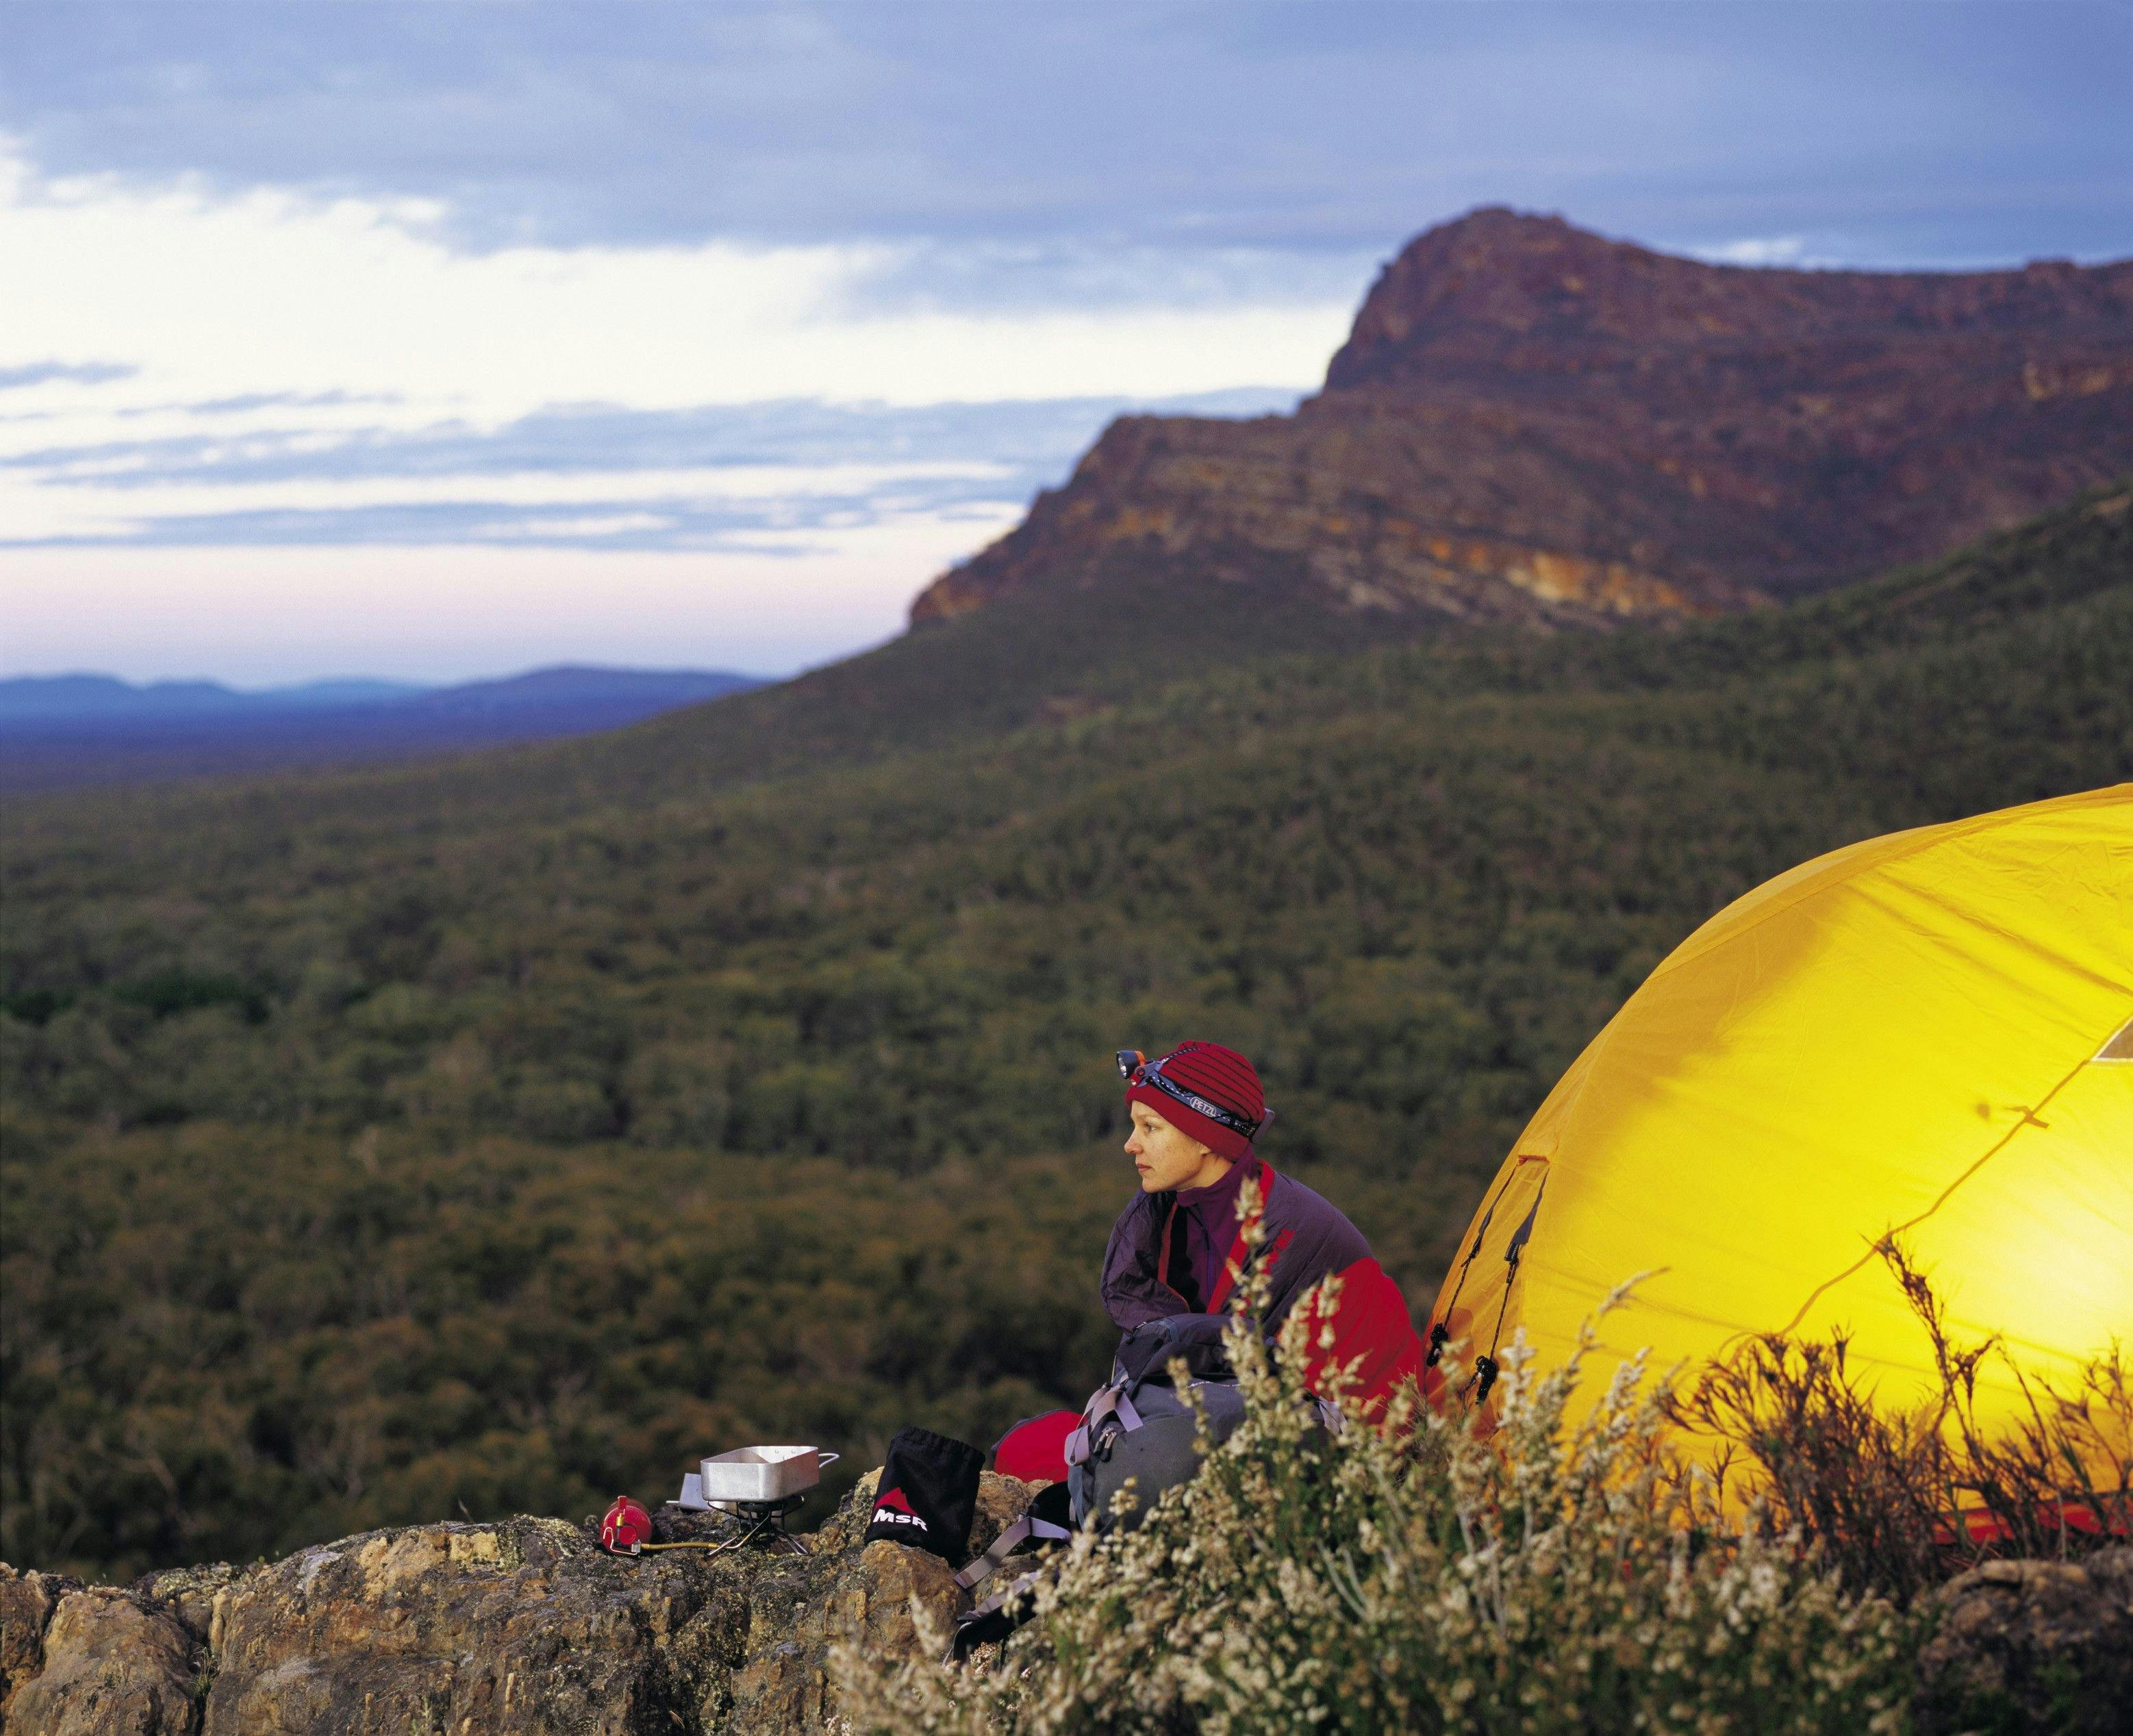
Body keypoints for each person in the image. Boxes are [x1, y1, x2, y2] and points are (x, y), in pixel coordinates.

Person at [1100, 1040, 1425, 1418]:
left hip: (1343, 1430)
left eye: (1150, 1128)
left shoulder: (1292, 1227)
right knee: (1030, 1442)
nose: (1130, 1145)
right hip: (1239, 1413)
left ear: (1206, 1137)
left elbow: (1229, 1368)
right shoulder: (1170, 1210)